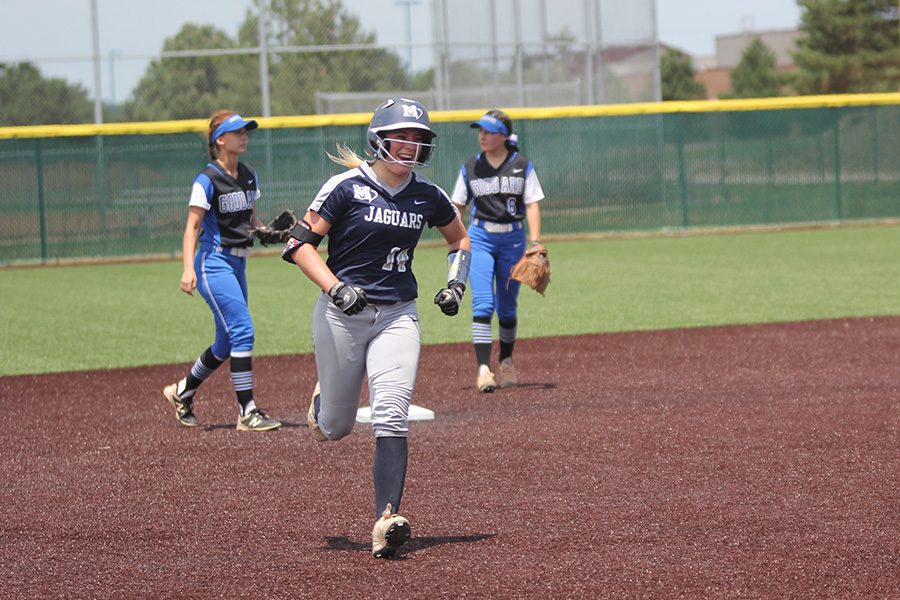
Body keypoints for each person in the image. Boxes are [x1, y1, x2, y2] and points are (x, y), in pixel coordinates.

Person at [282, 98, 471, 558]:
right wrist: (334, 287)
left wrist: (455, 284)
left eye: (419, 138)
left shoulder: (428, 195)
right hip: (343, 314)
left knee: (391, 415)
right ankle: (323, 402)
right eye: (402, 135)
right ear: (379, 138)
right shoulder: (345, 186)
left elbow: (459, 239)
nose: (410, 145)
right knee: (337, 427)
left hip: (398, 314)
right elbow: (298, 245)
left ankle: (386, 521)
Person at [162, 110, 282, 432]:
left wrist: (267, 231)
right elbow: (192, 227)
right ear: (220, 140)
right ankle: (248, 412)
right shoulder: (207, 180)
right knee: (243, 330)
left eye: (246, 131)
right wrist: (188, 269)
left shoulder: (248, 175)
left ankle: (182, 391)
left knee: (226, 343)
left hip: (239, 263)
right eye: (238, 131)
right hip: (213, 263)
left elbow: (251, 221)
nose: (245, 136)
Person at [450, 110, 545, 393]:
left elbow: (532, 204)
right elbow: (458, 206)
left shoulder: (522, 165)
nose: (482, 136)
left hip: (513, 241)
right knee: (482, 303)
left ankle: (505, 361)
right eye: (480, 131)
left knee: (506, 306)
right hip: (480, 237)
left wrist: (536, 242)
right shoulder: (469, 167)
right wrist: (456, 239)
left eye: (489, 131)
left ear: (504, 136)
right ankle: (483, 370)